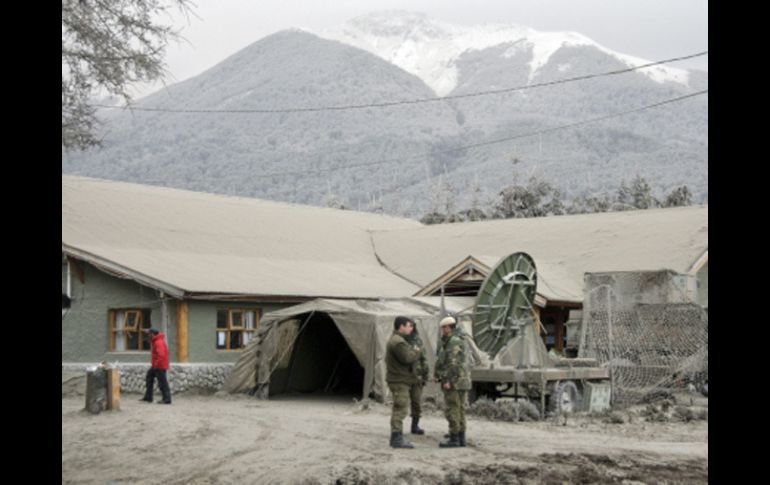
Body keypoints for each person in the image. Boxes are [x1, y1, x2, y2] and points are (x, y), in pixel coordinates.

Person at [434, 315, 471, 447]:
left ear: (449, 327)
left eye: (444, 327)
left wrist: (447, 379)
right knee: (459, 409)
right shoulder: (457, 339)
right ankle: (461, 438)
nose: (442, 330)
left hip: (454, 381)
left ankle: (454, 438)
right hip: (461, 380)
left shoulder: (453, 341)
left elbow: (452, 363)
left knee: (453, 408)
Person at [385, 316, 421, 448]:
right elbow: (407, 358)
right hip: (399, 380)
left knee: (400, 407)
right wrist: (416, 351)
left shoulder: (398, 340)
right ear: (401, 327)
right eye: (409, 326)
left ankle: (397, 436)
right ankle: (396, 438)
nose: (411, 328)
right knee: (400, 408)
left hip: (401, 379)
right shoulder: (398, 342)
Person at [404, 320, 429, 435]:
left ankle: (415, 425)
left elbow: (423, 358)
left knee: (416, 401)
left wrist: (425, 375)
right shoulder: (400, 340)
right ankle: (397, 427)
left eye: (411, 326)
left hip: (417, 376)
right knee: (401, 402)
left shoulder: (418, 340)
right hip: (403, 376)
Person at [139, 328, 172, 404]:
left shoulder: (158, 342)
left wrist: (156, 364)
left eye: (148, 334)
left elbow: (161, 355)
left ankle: (167, 399)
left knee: (162, 383)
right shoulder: (155, 341)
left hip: (160, 366)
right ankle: (148, 397)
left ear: (152, 334)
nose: (147, 335)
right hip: (156, 365)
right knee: (149, 376)